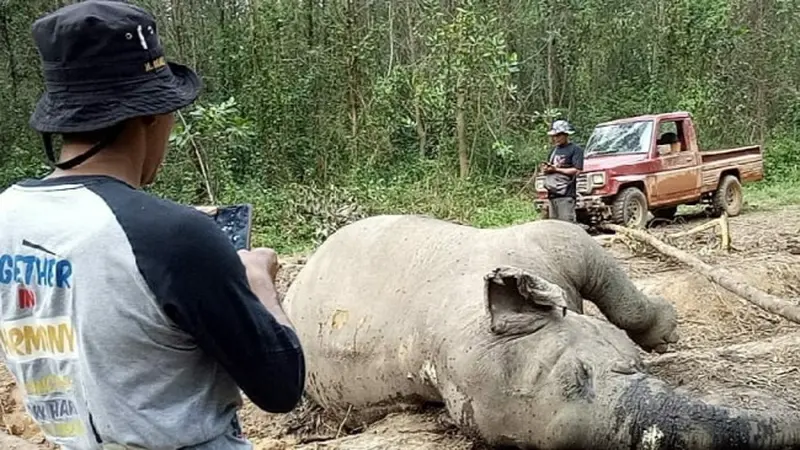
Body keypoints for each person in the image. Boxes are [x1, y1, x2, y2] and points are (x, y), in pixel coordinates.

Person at [0, 2, 304, 449]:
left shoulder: (9, 213)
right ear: (152, 115)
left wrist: (172, 235)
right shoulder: (173, 238)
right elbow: (281, 388)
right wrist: (259, 283)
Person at [540, 119, 584, 222]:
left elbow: (577, 170)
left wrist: (556, 169)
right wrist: (546, 169)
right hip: (552, 195)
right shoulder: (553, 151)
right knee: (554, 227)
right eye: (554, 136)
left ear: (566, 135)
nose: (556, 138)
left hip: (566, 194)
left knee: (567, 225)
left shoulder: (575, 150)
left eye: (559, 135)